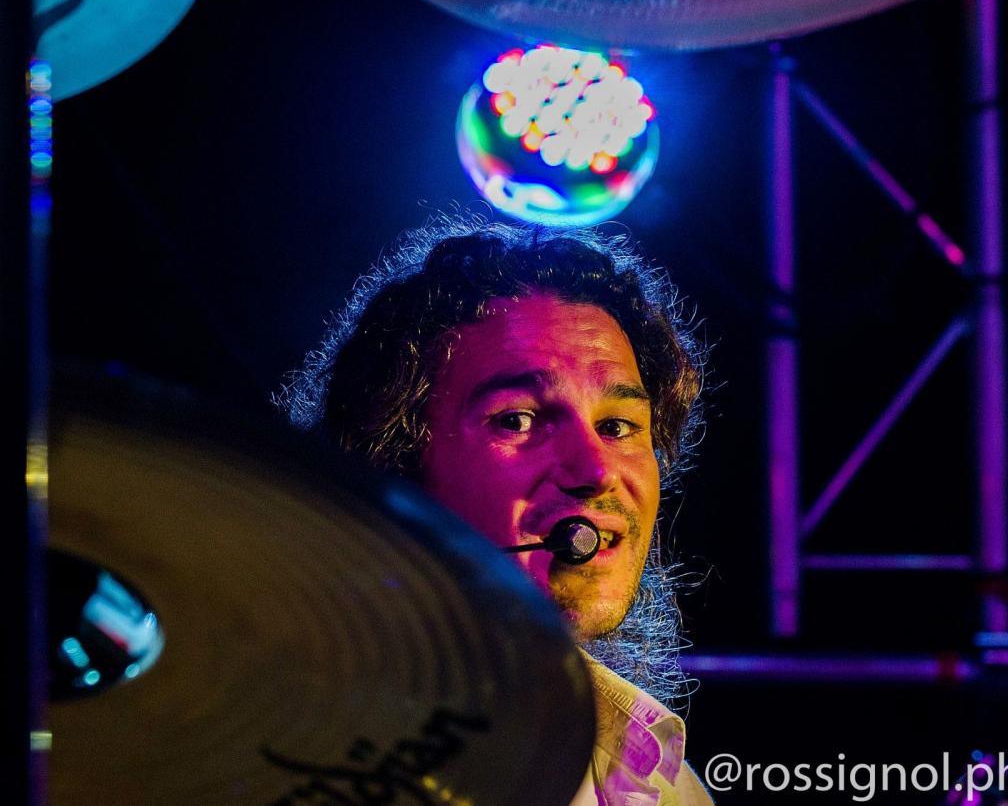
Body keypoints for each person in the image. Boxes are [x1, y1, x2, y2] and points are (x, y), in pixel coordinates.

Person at [279, 213, 713, 805]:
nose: (596, 472)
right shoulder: (267, 741)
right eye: (518, 420)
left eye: (617, 427)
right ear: (394, 467)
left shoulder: (667, 786)